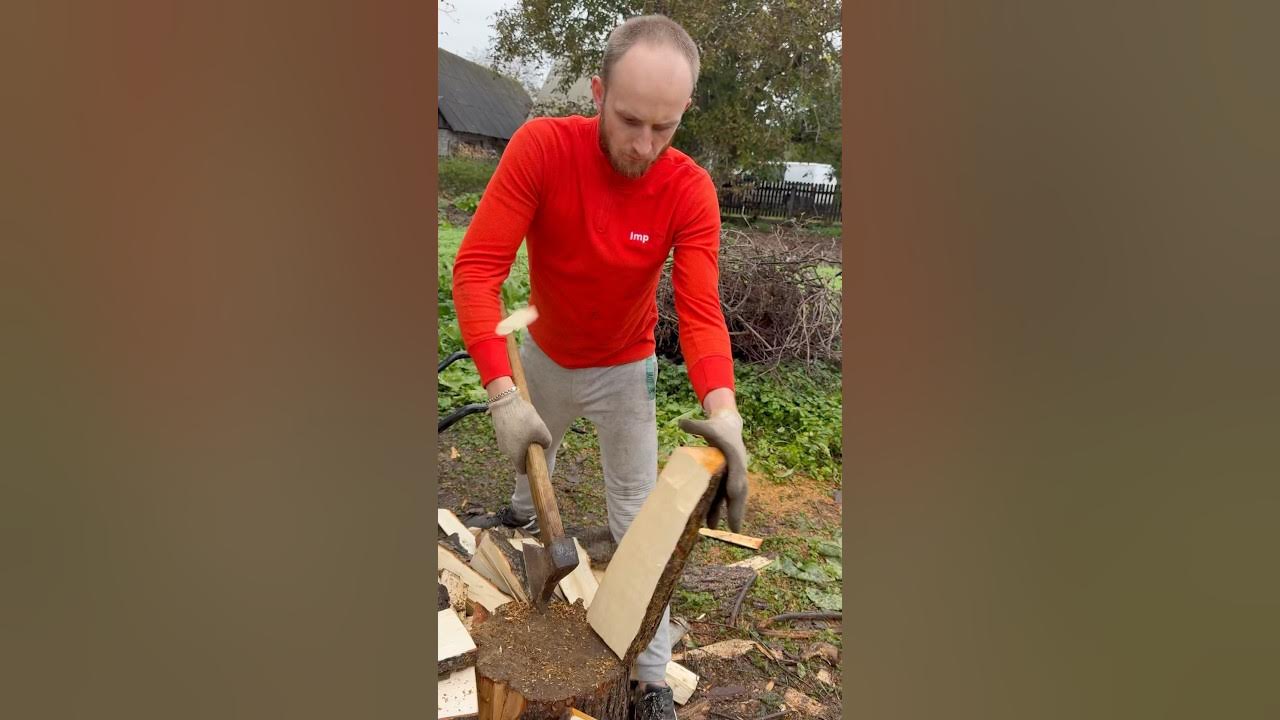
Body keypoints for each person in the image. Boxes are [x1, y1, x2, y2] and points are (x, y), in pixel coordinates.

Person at [452, 14, 748, 718]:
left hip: (627, 368)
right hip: (543, 356)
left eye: (664, 127)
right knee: (529, 458)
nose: (644, 144)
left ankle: (649, 680)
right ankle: (522, 523)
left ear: (684, 115)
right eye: (629, 120)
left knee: (640, 520)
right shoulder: (541, 149)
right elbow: (476, 272)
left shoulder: (687, 190)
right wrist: (499, 390)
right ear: (596, 92)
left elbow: (702, 311)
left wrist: (724, 411)